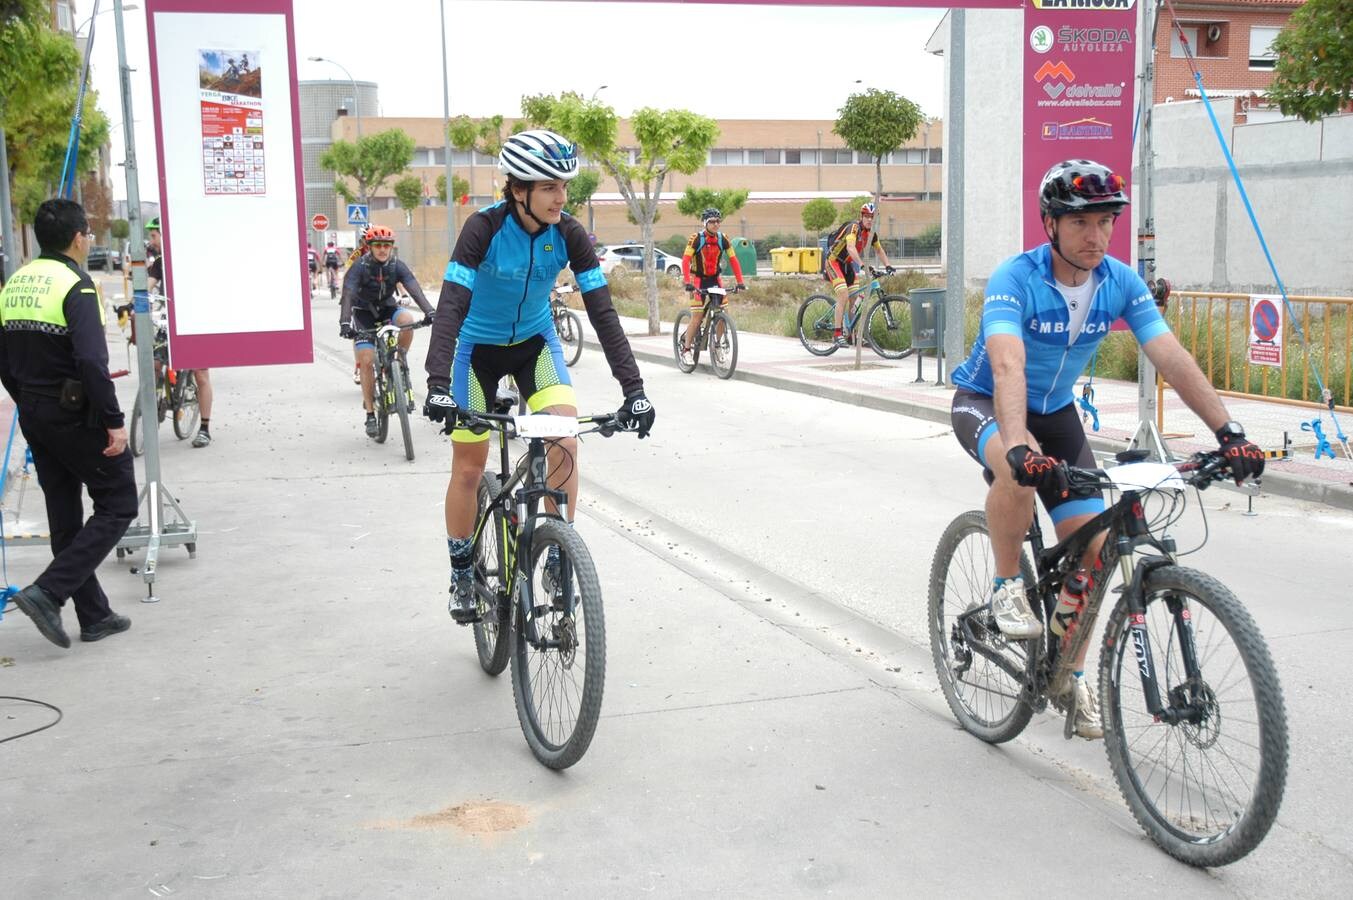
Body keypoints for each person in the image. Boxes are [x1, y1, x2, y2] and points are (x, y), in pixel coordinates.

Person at [948, 159, 1266, 739]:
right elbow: (1007, 364)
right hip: (987, 400)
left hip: (1059, 413)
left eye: (1105, 223)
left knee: (1096, 548)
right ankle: (1004, 591)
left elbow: (1169, 354)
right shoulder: (1014, 279)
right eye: (1081, 224)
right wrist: (1019, 445)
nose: (1096, 237)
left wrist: (1230, 433)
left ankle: (1066, 677)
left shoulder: (1120, 281)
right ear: (1050, 224)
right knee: (1015, 474)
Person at [422, 129, 654, 624]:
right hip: (477, 352)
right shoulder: (482, 229)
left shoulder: (567, 233)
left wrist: (634, 390)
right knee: (468, 466)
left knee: (566, 440)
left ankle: (557, 553)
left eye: (564, 187)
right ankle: (462, 572)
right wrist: (438, 384)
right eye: (550, 186)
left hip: (535, 346)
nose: (561, 197)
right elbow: (451, 306)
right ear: (519, 188)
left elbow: (603, 312)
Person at [0, 198, 138, 647]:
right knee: (118, 502)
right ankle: (49, 593)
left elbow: (4, 359)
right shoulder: (75, 286)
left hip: (34, 413)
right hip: (74, 413)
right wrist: (114, 422)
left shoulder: (15, 283)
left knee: (64, 514)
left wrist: (27, 401)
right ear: (79, 239)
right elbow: (93, 364)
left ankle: (94, 615)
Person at [339, 224, 434, 437]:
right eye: (378, 245)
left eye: (387, 245)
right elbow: (348, 294)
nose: (383, 249)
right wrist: (345, 323)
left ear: (391, 247)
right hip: (363, 314)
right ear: (369, 246)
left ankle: (398, 360)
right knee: (366, 360)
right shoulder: (359, 267)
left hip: (388, 309)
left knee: (407, 319)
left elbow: (413, 287)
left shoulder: (396, 265)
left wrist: (430, 311)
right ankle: (371, 414)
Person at [146, 217, 215, 448]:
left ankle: (204, 428)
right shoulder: (159, 263)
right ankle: (157, 399)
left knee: (200, 375)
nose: (151, 240)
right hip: (168, 323)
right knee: (154, 365)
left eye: (154, 236)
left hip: (195, 324)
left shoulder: (194, 259)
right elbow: (149, 286)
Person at [824, 201, 894, 347]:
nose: (869, 219)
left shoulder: (872, 234)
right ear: (861, 217)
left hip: (848, 265)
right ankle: (837, 334)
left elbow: (879, 250)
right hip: (834, 262)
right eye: (867, 216)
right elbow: (850, 247)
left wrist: (888, 266)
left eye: (872, 217)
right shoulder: (854, 228)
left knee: (854, 299)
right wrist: (863, 265)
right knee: (843, 294)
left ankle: (850, 336)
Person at [679, 207, 745, 359]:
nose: (716, 224)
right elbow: (686, 260)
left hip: (715, 279)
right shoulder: (696, 239)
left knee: (723, 314)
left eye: (718, 221)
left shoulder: (723, 239)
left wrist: (740, 282)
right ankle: (687, 350)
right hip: (698, 280)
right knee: (696, 317)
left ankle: (717, 346)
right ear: (705, 223)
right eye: (712, 222)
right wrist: (687, 282)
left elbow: (734, 260)